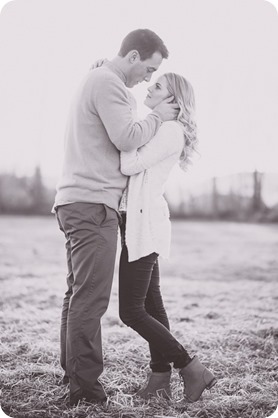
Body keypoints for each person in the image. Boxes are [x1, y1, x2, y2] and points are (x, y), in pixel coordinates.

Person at [52, 29, 179, 406]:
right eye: (149, 69)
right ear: (135, 56)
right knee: (89, 300)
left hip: (78, 201)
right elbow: (126, 137)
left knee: (76, 296)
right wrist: (158, 116)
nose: (148, 79)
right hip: (93, 204)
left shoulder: (99, 78)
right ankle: (86, 393)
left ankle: (74, 378)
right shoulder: (108, 82)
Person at [118, 73, 217, 403]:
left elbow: (130, 162)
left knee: (131, 311)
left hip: (144, 224)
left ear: (173, 99)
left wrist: (137, 127)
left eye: (157, 86)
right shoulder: (163, 127)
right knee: (151, 303)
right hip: (141, 221)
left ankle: (191, 367)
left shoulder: (169, 130)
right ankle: (160, 380)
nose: (150, 88)